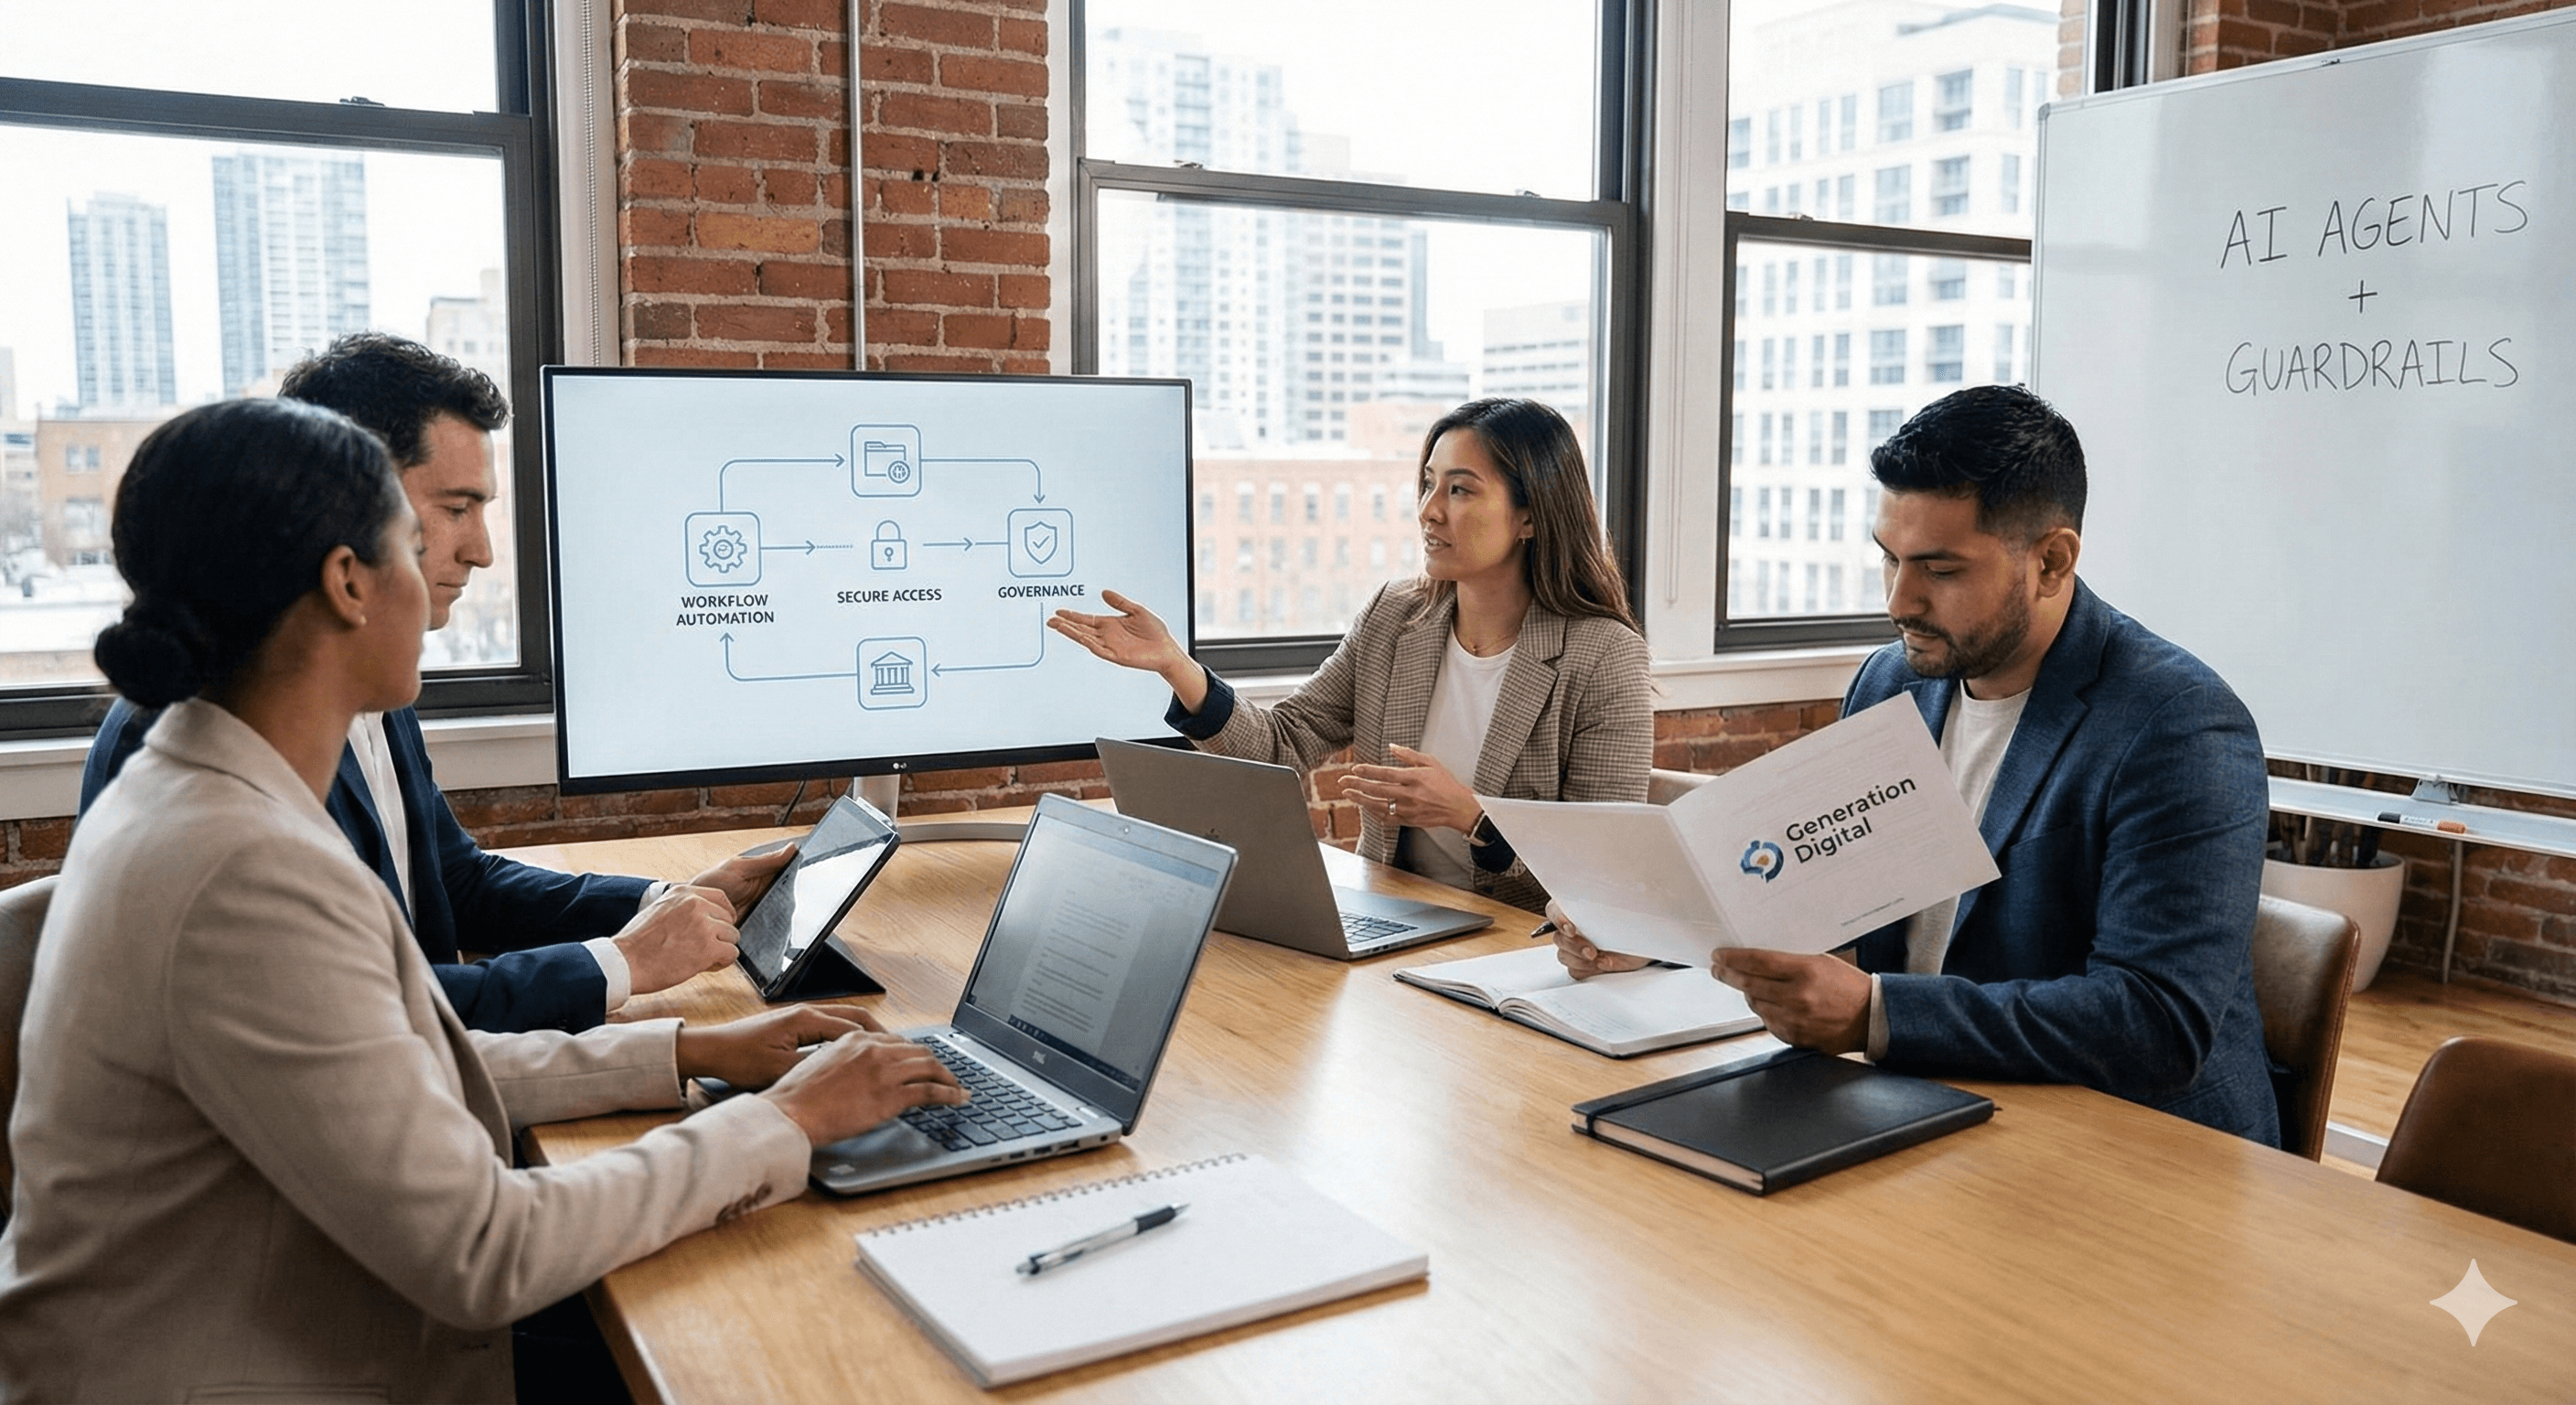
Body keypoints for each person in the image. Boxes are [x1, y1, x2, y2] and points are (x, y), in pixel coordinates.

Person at [0, 398, 968, 1400]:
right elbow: (484, 1250)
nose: (453, 573)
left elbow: (390, 1064)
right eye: (415, 544)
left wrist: (680, 1054)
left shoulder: (207, 790)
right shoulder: (240, 869)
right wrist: (788, 1122)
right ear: (347, 583)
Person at [1555, 385, 2280, 1146]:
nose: (1899, 601)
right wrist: (1663, 937)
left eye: (1940, 569)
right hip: (1923, 1105)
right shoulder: (1890, 682)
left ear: (2053, 561)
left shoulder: (2179, 726)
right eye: (1889, 559)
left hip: (2132, 1152)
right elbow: (1823, 898)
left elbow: (2156, 1024)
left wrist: (1878, 1014)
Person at [79, 332, 767, 1035]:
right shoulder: (216, 744)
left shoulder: (365, 680)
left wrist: (665, 900)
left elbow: (452, 881)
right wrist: (620, 961)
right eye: (454, 509)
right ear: (349, 503)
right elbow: (361, 1014)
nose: (483, 551)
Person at [1051, 397, 1651, 912]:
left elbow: (1604, 872)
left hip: (1515, 952)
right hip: (1396, 918)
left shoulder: (1604, 658)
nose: (1429, 510)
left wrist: (1474, 818)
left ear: (1530, 516)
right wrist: (1177, 667)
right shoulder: (1396, 617)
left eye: (1461, 489)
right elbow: (1284, 744)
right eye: (1428, 483)